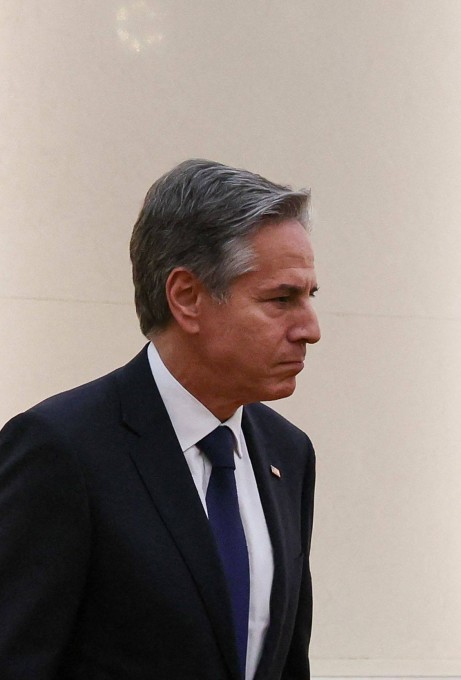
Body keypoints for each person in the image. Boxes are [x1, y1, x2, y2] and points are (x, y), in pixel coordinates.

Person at [0, 159, 321, 680]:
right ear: (187, 298)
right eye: (280, 299)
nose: (310, 328)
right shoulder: (61, 450)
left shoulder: (289, 454)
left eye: (309, 297)